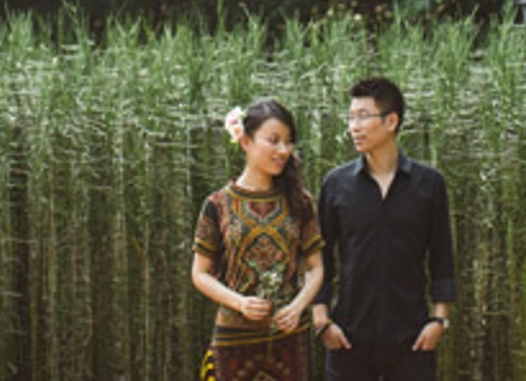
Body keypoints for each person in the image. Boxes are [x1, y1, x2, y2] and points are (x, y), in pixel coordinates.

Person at [313, 77, 456, 381]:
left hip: (412, 336)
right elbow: (318, 255)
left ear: (391, 121)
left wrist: (439, 321)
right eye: (350, 117)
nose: (354, 126)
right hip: (348, 335)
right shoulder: (336, 184)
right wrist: (321, 319)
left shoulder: (429, 185)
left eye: (363, 116)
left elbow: (442, 255)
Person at [192, 98, 324, 381]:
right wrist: (240, 303)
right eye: (274, 140)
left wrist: (298, 306)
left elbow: (316, 268)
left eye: (288, 142)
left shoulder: (300, 202)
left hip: (290, 335)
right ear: (245, 141)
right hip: (234, 337)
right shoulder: (217, 204)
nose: (283, 150)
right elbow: (200, 274)